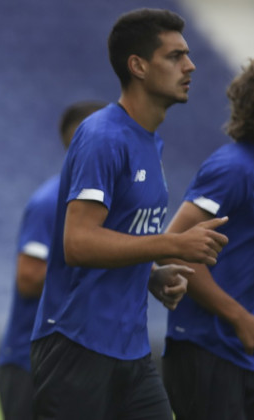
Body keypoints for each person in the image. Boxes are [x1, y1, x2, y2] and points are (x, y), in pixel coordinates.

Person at [29, 8, 230, 420]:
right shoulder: (103, 136)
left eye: (188, 55)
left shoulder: (148, 142)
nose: (190, 65)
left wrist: (150, 275)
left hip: (131, 348)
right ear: (137, 66)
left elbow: (119, 238)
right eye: (175, 56)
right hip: (77, 344)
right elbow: (78, 242)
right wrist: (173, 244)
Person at [0, 100, 105, 420]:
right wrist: (101, 264)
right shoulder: (50, 202)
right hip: (32, 363)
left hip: (81, 360)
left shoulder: (107, 202)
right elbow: (28, 278)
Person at [160, 57, 254, 420]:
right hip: (209, 349)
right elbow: (173, 249)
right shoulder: (233, 168)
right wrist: (239, 317)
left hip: (243, 353)